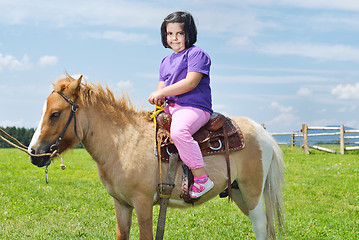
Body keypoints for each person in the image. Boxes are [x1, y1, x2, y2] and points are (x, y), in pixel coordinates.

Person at [148, 11, 214, 198]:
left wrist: (162, 92)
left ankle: (201, 179)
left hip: (194, 107)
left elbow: (190, 82)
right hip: (172, 108)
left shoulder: (197, 54)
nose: (174, 38)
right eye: (170, 34)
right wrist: (158, 98)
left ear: (189, 33)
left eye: (180, 33)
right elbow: (161, 86)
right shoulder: (165, 61)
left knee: (179, 132)